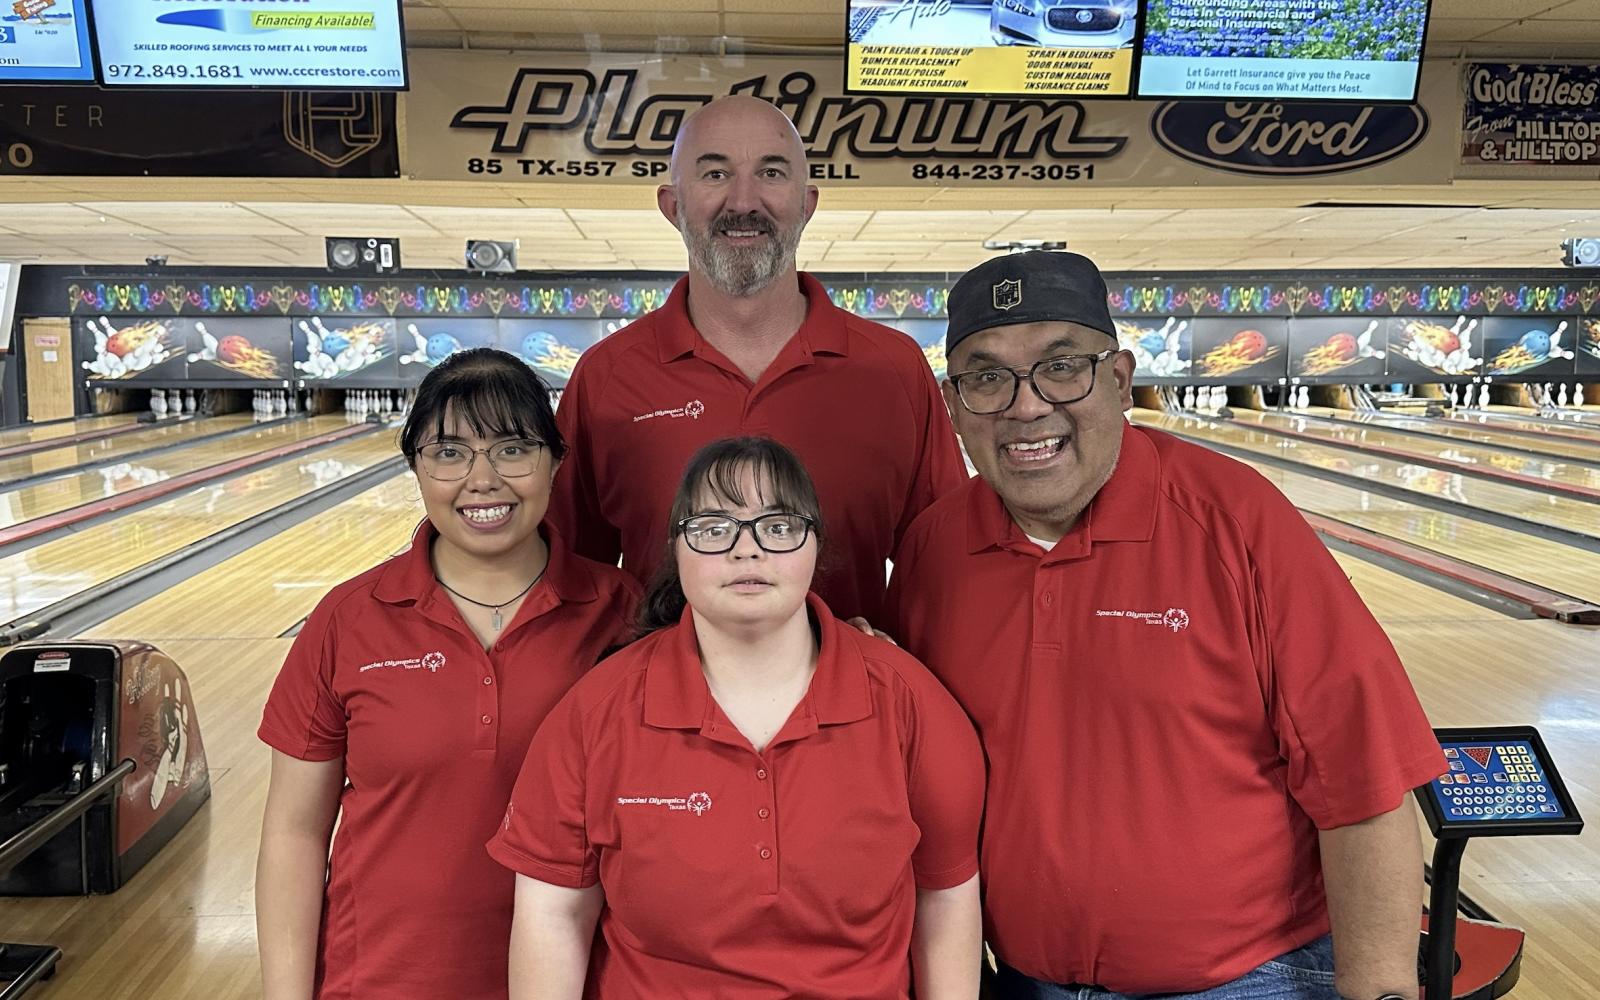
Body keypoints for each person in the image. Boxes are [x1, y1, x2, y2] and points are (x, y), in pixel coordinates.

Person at [885, 252, 1445, 1000]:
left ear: (1119, 380)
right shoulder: (932, 550)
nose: (1025, 407)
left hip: (1251, 980)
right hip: (1021, 979)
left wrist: (1379, 988)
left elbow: (1365, 780)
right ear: (953, 405)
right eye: (986, 378)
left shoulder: (1235, 520)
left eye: (1061, 368)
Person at [491, 437, 985, 1000]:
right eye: (712, 528)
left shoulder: (910, 701)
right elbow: (553, 916)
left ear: (816, 546)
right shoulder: (594, 712)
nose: (747, 551)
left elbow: (945, 899)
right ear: (676, 549)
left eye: (778, 528)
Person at [255, 349, 639, 1000]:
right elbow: (295, 833)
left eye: (513, 449)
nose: (481, 479)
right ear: (416, 467)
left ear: (556, 462)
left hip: (580, 979)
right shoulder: (347, 620)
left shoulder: (625, 615)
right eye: (450, 452)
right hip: (379, 980)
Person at [546, 95, 966, 624]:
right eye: (715, 173)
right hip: (653, 704)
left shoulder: (894, 369)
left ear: (807, 203)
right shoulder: (606, 376)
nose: (743, 200)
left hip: (855, 704)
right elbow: (571, 581)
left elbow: (944, 567)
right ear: (672, 205)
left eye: (770, 172)